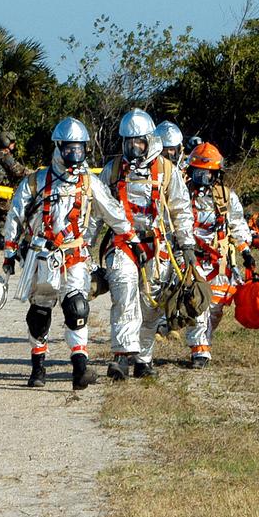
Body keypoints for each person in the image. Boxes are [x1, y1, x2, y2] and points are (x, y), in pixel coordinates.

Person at [2, 118, 139, 390]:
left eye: (80, 151)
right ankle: (38, 368)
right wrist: (9, 250)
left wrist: (132, 238)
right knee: (39, 313)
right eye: (70, 151)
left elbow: (112, 211)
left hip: (75, 255)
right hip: (42, 255)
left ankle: (80, 368)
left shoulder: (89, 183)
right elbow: (15, 214)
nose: (75, 157)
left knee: (77, 307)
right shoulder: (36, 181)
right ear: (59, 148)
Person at [88, 108, 195, 380]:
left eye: (139, 142)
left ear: (149, 140)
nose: (134, 148)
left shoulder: (167, 171)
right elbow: (95, 212)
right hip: (121, 244)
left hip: (157, 246)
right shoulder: (112, 171)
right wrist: (84, 247)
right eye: (129, 142)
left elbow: (181, 210)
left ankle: (143, 360)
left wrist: (187, 248)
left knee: (151, 305)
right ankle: (121, 357)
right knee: (124, 296)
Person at [183, 143, 256, 369]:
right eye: (198, 173)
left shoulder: (226, 197)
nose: (203, 178)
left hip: (219, 262)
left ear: (216, 174)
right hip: (192, 259)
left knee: (215, 308)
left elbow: (237, 223)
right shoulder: (182, 196)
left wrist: (245, 250)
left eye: (208, 174)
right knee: (198, 304)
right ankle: (200, 351)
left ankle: (203, 341)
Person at [0, 130, 29, 251]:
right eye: (12, 141)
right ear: (6, 142)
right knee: (4, 214)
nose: (14, 144)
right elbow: (18, 170)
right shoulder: (5, 155)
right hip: (2, 189)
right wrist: (33, 173)